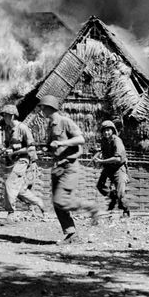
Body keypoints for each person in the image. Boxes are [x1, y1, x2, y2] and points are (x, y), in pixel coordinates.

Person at [37, 95, 103, 245]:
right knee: (56, 203)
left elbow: (81, 139)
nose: (40, 110)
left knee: (62, 201)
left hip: (69, 168)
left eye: (42, 107)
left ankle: (92, 207)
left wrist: (62, 143)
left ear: (49, 108)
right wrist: (47, 149)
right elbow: (53, 145)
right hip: (57, 167)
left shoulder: (65, 121)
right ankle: (71, 234)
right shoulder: (50, 125)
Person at [0, 104, 46, 225]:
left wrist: (14, 151)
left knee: (9, 184)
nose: (4, 117)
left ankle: (11, 214)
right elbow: (6, 143)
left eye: (6, 115)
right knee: (19, 190)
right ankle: (39, 202)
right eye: (3, 115)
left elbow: (31, 148)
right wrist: (4, 148)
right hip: (15, 161)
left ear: (12, 116)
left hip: (24, 160)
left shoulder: (23, 128)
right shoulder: (8, 129)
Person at [93, 120, 131, 218]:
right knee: (100, 186)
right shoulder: (104, 141)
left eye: (108, 130)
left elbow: (118, 159)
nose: (106, 132)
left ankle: (126, 210)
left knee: (120, 194)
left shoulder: (117, 140)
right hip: (109, 168)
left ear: (113, 130)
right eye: (104, 131)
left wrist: (101, 161)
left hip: (119, 168)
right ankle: (112, 196)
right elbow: (104, 151)